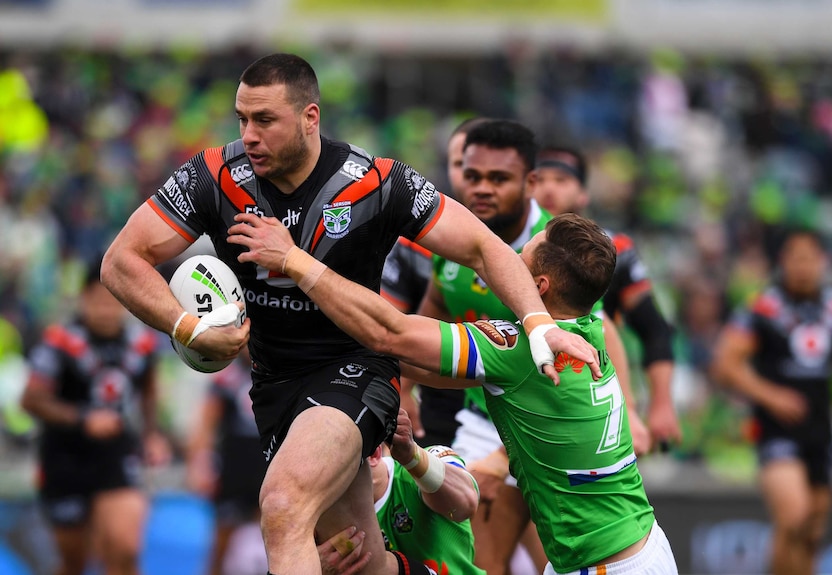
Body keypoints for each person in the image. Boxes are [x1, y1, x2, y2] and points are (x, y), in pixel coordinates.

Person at [100, 53, 601, 575]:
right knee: (358, 560)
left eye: (265, 120)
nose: (249, 135)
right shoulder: (213, 176)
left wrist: (539, 324)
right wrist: (186, 326)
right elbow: (121, 261)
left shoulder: (376, 183)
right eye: (242, 119)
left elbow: (483, 246)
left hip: (356, 370)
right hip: (274, 386)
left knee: (282, 504)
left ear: (310, 118)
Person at [273, 211, 678, 574]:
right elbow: (418, 364)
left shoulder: (519, 350)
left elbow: (391, 334)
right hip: (638, 544)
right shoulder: (586, 324)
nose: (507, 265)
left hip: (606, 564)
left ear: (539, 286)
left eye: (520, 258)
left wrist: (294, 261)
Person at [414, 119, 647, 574]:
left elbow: (598, 333)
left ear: (530, 184)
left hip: (536, 405)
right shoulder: (457, 237)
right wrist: (403, 387)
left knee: (527, 551)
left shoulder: (555, 244)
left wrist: (632, 408)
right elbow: (433, 310)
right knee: (507, 555)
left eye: (497, 179)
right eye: (470, 174)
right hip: (487, 409)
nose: (480, 188)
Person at [711, 228, 832, 575]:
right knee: (794, 517)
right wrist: (771, 395)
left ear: (823, 262)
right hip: (777, 430)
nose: (803, 266)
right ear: (783, 262)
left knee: (812, 532)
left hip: (821, 431)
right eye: (796, 257)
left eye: (810, 258)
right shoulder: (763, 307)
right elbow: (725, 364)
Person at [19, 259, 171, 575]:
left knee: (125, 549)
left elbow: (149, 393)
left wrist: (152, 435)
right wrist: (82, 419)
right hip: (64, 458)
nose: (106, 310)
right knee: (75, 562)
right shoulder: (57, 343)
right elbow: (31, 400)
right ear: (83, 298)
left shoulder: (141, 345)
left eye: (112, 301)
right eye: (98, 300)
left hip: (115, 455)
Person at [529, 144, 681, 449]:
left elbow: (654, 328)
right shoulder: (509, 248)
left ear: (583, 194)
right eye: (539, 180)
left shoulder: (615, 250)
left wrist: (661, 405)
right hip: (524, 389)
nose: (548, 189)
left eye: (560, 180)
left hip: (594, 391)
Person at [382, 116, 488, 448]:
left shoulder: (537, 246)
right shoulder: (412, 245)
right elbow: (385, 326)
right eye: (462, 164)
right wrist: (402, 388)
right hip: (439, 399)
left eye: (491, 170)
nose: (477, 180)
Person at [317, 408, 485, 575]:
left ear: (374, 455)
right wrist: (315, 566)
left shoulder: (420, 470)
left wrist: (411, 456)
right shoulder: (315, 508)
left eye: (338, 463)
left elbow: (466, 503)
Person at [185, 347, 267, 575]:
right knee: (221, 546)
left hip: (272, 471)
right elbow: (205, 426)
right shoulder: (227, 379)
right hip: (234, 473)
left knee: (277, 540)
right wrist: (200, 465)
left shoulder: (282, 376)